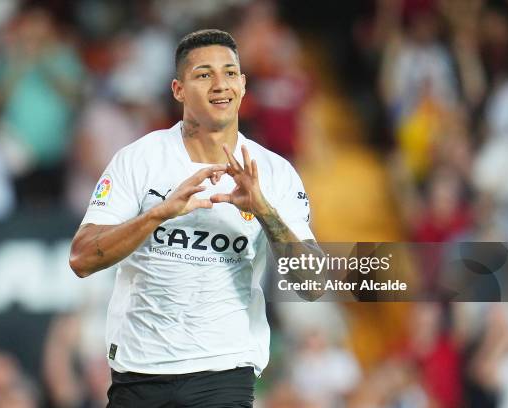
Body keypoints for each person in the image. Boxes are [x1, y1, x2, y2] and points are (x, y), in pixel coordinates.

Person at [69, 29, 320, 408]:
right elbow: (82, 258)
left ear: (244, 84)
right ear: (178, 89)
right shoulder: (139, 160)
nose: (220, 85)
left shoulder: (274, 172)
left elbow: (313, 283)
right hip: (139, 368)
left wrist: (264, 210)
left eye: (230, 73)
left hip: (224, 370)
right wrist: (158, 214)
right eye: (204, 74)